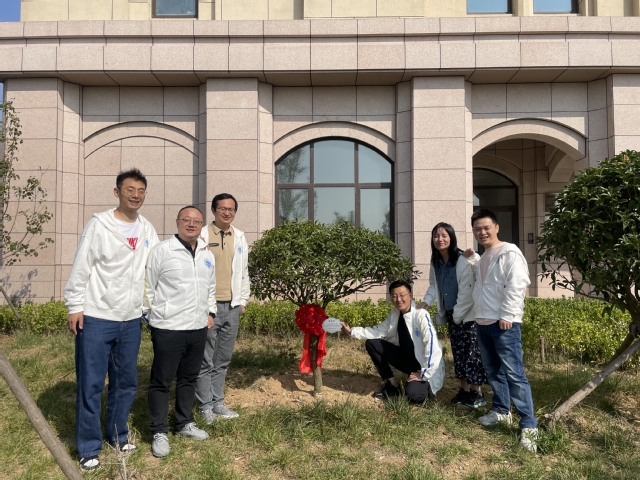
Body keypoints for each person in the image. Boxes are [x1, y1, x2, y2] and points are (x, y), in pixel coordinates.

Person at [64, 168, 159, 471]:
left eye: (141, 191)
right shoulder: (99, 224)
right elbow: (82, 265)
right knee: (91, 384)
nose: (136, 195)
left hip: (131, 319)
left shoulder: (147, 229)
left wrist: (150, 308)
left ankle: (117, 435)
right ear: (117, 192)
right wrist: (75, 306)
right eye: (130, 189)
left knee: (126, 382)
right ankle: (88, 447)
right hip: (97, 316)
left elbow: (153, 270)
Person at [144, 205, 217, 458]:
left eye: (196, 221)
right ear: (177, 222)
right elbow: (148, 286)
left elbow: (210, 287)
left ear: (201, 225)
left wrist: (210, 312)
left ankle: (184, 422)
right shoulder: (162, 251)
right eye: (186, 219)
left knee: (188, 379)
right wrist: (152, 316)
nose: (191, 224)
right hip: (168, 328)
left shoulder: (207, 254)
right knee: (162, 381)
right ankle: (159, 430)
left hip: (197, 328)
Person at [470, 208, 538, 452]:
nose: (482, 232)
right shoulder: (483, 256)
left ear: (496, 227)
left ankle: (529, 425)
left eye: (486, 227)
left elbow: (517, 284)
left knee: (514, 374)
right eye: (477, 229)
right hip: (483, 323)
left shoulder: (510, 252)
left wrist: (508, 315)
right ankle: (501, 411)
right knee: (493, 371)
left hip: (504, 324)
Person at [417, 222, 487, 408]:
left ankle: (477, 393)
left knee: (472, 354)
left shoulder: (461, 258)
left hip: (468, 315)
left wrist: (457, 315)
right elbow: (434, 285)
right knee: (459, 353)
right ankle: (464, 390)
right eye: (436, 236)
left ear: (451, 238)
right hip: (453, 315)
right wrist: (427, 301)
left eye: (444, 235)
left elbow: (467, 290)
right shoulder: (436, 262)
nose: (440, 239)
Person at [340, 280, 445, 403]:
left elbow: (432, 346)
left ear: (410, 296)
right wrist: (351, 331)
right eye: (394, 296)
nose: (398, 299)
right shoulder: (395, 313)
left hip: (423, 364)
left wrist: (424, 374)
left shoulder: (421, 315)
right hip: (406, 360)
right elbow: (378, 331)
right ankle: (392, 385)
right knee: (372, 344)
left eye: (402, 295)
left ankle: (425, 385)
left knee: (414, 396)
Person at [195, 193, 250, 422]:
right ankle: (204, 406)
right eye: (222, 209)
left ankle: (218, 403)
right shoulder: (202, 235)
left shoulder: (239, 236)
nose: (227, 213)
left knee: (223, 359)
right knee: (205, 359)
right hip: (209, 307)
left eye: (231, 209)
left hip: (232, 306)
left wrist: (243, 301)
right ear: (213, 210)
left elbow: (244, 272)